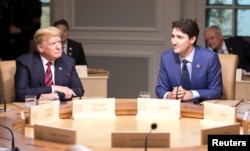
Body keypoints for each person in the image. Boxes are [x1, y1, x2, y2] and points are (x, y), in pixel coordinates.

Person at [155, 18, 222, 102]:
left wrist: (192, 94)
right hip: (175, 109)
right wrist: (170, 95)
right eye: (173, 36)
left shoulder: (209, 58)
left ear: (192, 39)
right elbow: (160, 89)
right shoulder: (166, 57)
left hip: (201, 109)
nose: (174, 42)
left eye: (179, 37)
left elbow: (216, 91)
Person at [14, 26, 84, 102]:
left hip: (60, 108)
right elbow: (21, 94)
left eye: (59, 42)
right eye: (53, 43)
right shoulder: (25, 62)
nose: (59, 47)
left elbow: (79, 90)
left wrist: (56, 95)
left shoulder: (68, 62)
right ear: (41, 48)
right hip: (34, 109)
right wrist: (53, 88)